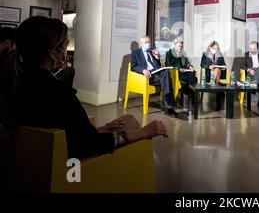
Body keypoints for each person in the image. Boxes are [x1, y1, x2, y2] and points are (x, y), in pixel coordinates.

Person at [0, 16, 168, 161]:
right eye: (65, 46)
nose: (65, 52)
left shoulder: (14, 80)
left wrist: (100, 128)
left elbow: (58, 129)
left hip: (32, 160)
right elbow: (90, 145)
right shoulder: (58, 91)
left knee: (125, 121)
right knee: (131, 121)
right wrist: (144, 132)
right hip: (71, 164)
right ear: (52, 52)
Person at [131, 35, 179, 117]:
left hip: (157, 73)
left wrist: (157, 57)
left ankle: (167, 104)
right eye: (146, 42)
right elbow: (133, 66)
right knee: (166, 75)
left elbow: (158, 65)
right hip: (148, 75)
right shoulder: (136, 53)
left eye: (149, 42)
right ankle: (168, 103)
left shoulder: (151, 52)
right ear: (141, 43)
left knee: (166, 72)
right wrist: (143, 70)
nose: (148, 44)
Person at [165, 37, 197, 110]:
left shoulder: (183, 52)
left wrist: (190, 66)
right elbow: (168, 65)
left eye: (182, 44)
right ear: (175, 44)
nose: (181, 46)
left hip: (184, 71)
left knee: (192, 73)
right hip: (175, 73)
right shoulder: (169, 53)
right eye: (179, 44)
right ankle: (189, 94)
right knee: (189, 80)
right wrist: (178, 68)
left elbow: (187, 63)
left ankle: (192, 98)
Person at [241, 41, 259, 109]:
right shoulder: (246, 54)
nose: (252, 50)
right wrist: (249, 70)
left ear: (258, 49)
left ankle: (254, 88)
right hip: (251, 73)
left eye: (254, 49)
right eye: (251, 49)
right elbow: (242, 65)